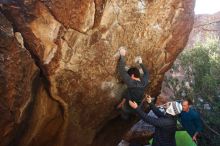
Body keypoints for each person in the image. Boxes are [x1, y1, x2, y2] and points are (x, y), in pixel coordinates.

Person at [117, 46, 149, 119]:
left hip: (129, 105)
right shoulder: (144, 80)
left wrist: (122, 55)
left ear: (132, 75)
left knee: (125, 112)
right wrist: (141, 63)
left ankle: (125, 118)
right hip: (138, 104)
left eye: (129, 76)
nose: (128, 77)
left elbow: (121, 70)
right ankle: (132, 115)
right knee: (134, 110)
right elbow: (147, 73)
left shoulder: (131, 83)